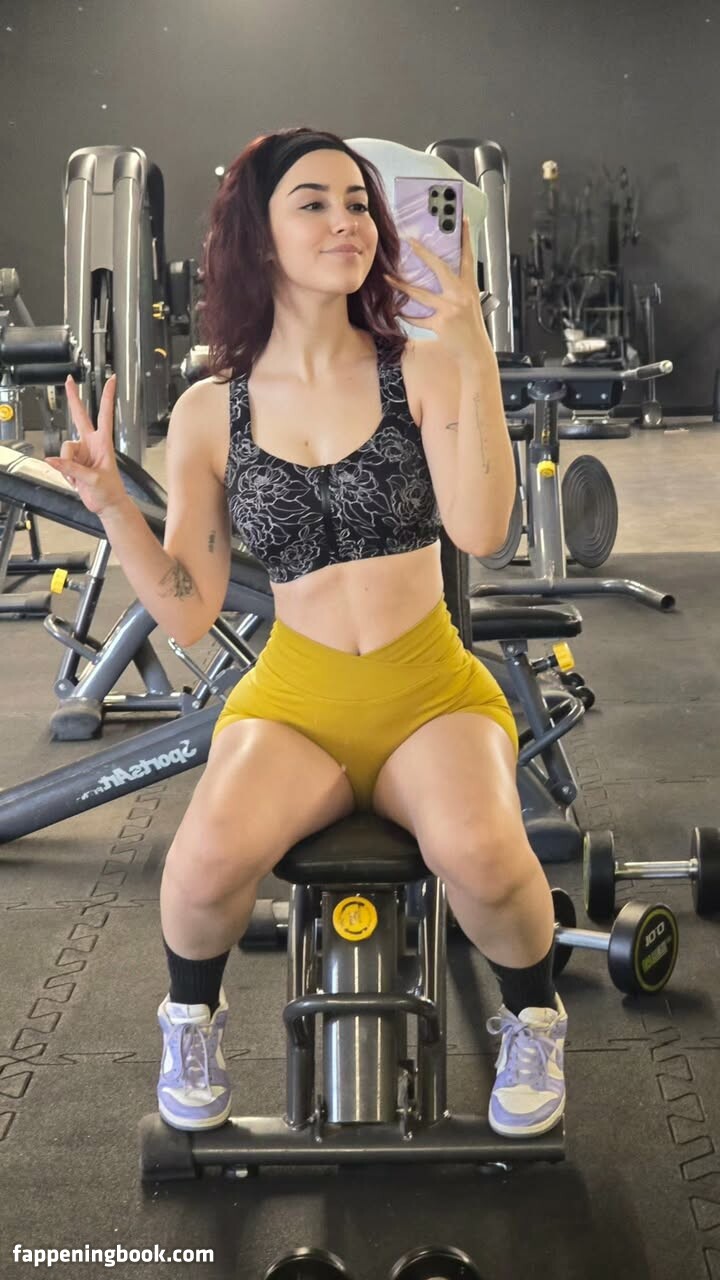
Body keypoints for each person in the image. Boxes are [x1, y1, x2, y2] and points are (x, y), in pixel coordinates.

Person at [46, 127, 567, 1142]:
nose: (347, 223)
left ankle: (535, 1019)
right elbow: (190, 608)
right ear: (259, 235)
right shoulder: (211, 411)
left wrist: (473, 353)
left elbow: (481, 531)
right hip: (295, 701)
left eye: (359, 204)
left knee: (485, 855)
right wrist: (111, 504)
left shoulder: (418, 369)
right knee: (201, 864)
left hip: (430, 692)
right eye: (315, 203)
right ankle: (191, 1021)